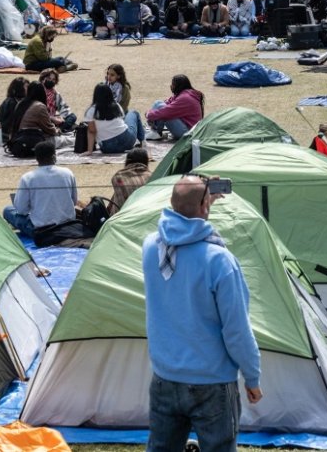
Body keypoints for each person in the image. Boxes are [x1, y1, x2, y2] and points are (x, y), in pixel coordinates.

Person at [142, 176, 262, 452]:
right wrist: (252, 377)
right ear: (205, 207)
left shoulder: (152, 247)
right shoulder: (219, 260)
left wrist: (200, 198)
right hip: (212, 382)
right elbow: (236, 330)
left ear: (171, 203)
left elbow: (183, 218)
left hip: (165, 376)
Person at [2, 141, 79, 237]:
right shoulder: (68, 173)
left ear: (37, 159)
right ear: (54, 156)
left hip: (42, 231)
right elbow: (74, 202)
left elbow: (21, 210)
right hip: (68, 226)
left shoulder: (28, 178)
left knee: (8, 210)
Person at [83, 83, 146, 154]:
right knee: (133, 112)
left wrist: (89, 151)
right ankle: (143, 141)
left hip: (107, 148)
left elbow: (92, 131)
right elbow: (122, 120)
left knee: (91, 129)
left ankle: (142, 141)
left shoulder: (91, 110)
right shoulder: (116, 105)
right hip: (127, 142)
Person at [146, 74, 204, 140]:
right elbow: (167, 102)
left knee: (162, 110)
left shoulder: (185, 98)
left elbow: (166, 112)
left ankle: (156, 132)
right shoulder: (184, 94)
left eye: (173, 84)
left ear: (178, 86)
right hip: (185, 126)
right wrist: (152, 114)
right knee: (158, 103)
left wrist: (149, 114)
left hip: (188, 133)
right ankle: (155, 130)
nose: (171, 86)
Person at [111, 147, 150, 214]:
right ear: (146, 161)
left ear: (127, 161)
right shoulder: (151, 176)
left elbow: (119, 204)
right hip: (147, 216)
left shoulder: (118, 177)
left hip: (123, 218)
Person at [39, 67, 77, 132]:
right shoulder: (38, 91)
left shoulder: (55, 94)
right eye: (49, 78)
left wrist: (62, 117)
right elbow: (37, 112)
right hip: (42, 119)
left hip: (53, 120)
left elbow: (64, 107)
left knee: (72, 117)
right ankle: (60, 130)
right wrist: (51, 118)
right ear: (43, 79)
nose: (51, 81)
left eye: (53, 79)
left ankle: (60, 129)